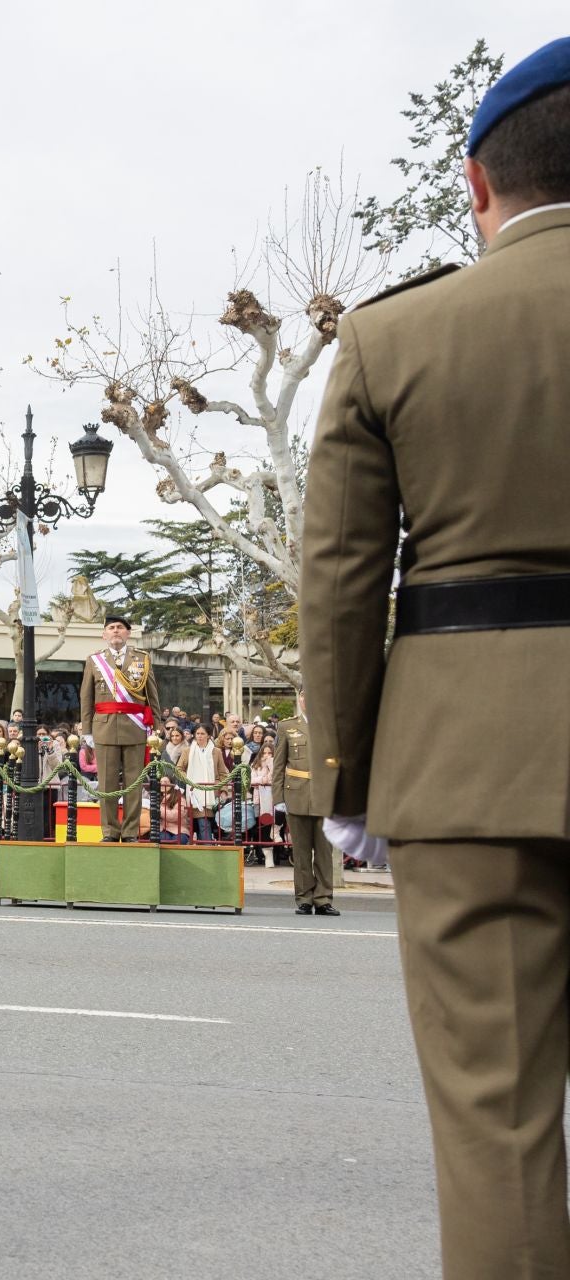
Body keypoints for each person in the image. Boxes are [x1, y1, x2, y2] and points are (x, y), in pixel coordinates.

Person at [300, 47, 570, 1273]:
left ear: (477, 181)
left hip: (470, 769)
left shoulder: (395, 335)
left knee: (496, 1129)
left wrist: (346, 778)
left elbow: (344, 586)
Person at [79, 616, 161, 841]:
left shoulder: (142, 659)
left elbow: (152, 696)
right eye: (111, 628)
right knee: (107, 784)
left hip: (135, 728)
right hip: (103, 728)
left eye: (120, 628)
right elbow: (86, 698)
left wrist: (157, 726)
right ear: (104, 634)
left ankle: (130, 832)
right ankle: (110, 831)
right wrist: (87, 731)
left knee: (134, 784)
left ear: (128, 633)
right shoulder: (94, 661)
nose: (116, 631)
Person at [269, 697, 336, 916]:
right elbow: (278, 765)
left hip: (325, 796)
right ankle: (304, 898)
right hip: (296, 795)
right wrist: (278, 799)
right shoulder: (287, 726)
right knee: (301, 852)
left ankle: (323, 898)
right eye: (305, 696)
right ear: (300, 699)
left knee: (325, 852)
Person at [184, 724, 222, 843]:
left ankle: (206, 847)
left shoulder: (216, 751)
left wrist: (220, 788)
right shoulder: (188, 751)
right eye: (198, 734)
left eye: (202, 734)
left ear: (209, 735)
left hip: (211, 793)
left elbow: (223, 773)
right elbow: (178, 769)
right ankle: (206, 847)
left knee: (205, 822)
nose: (199, 736)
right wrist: (190, 780)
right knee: (201, 822)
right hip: (194, 793)